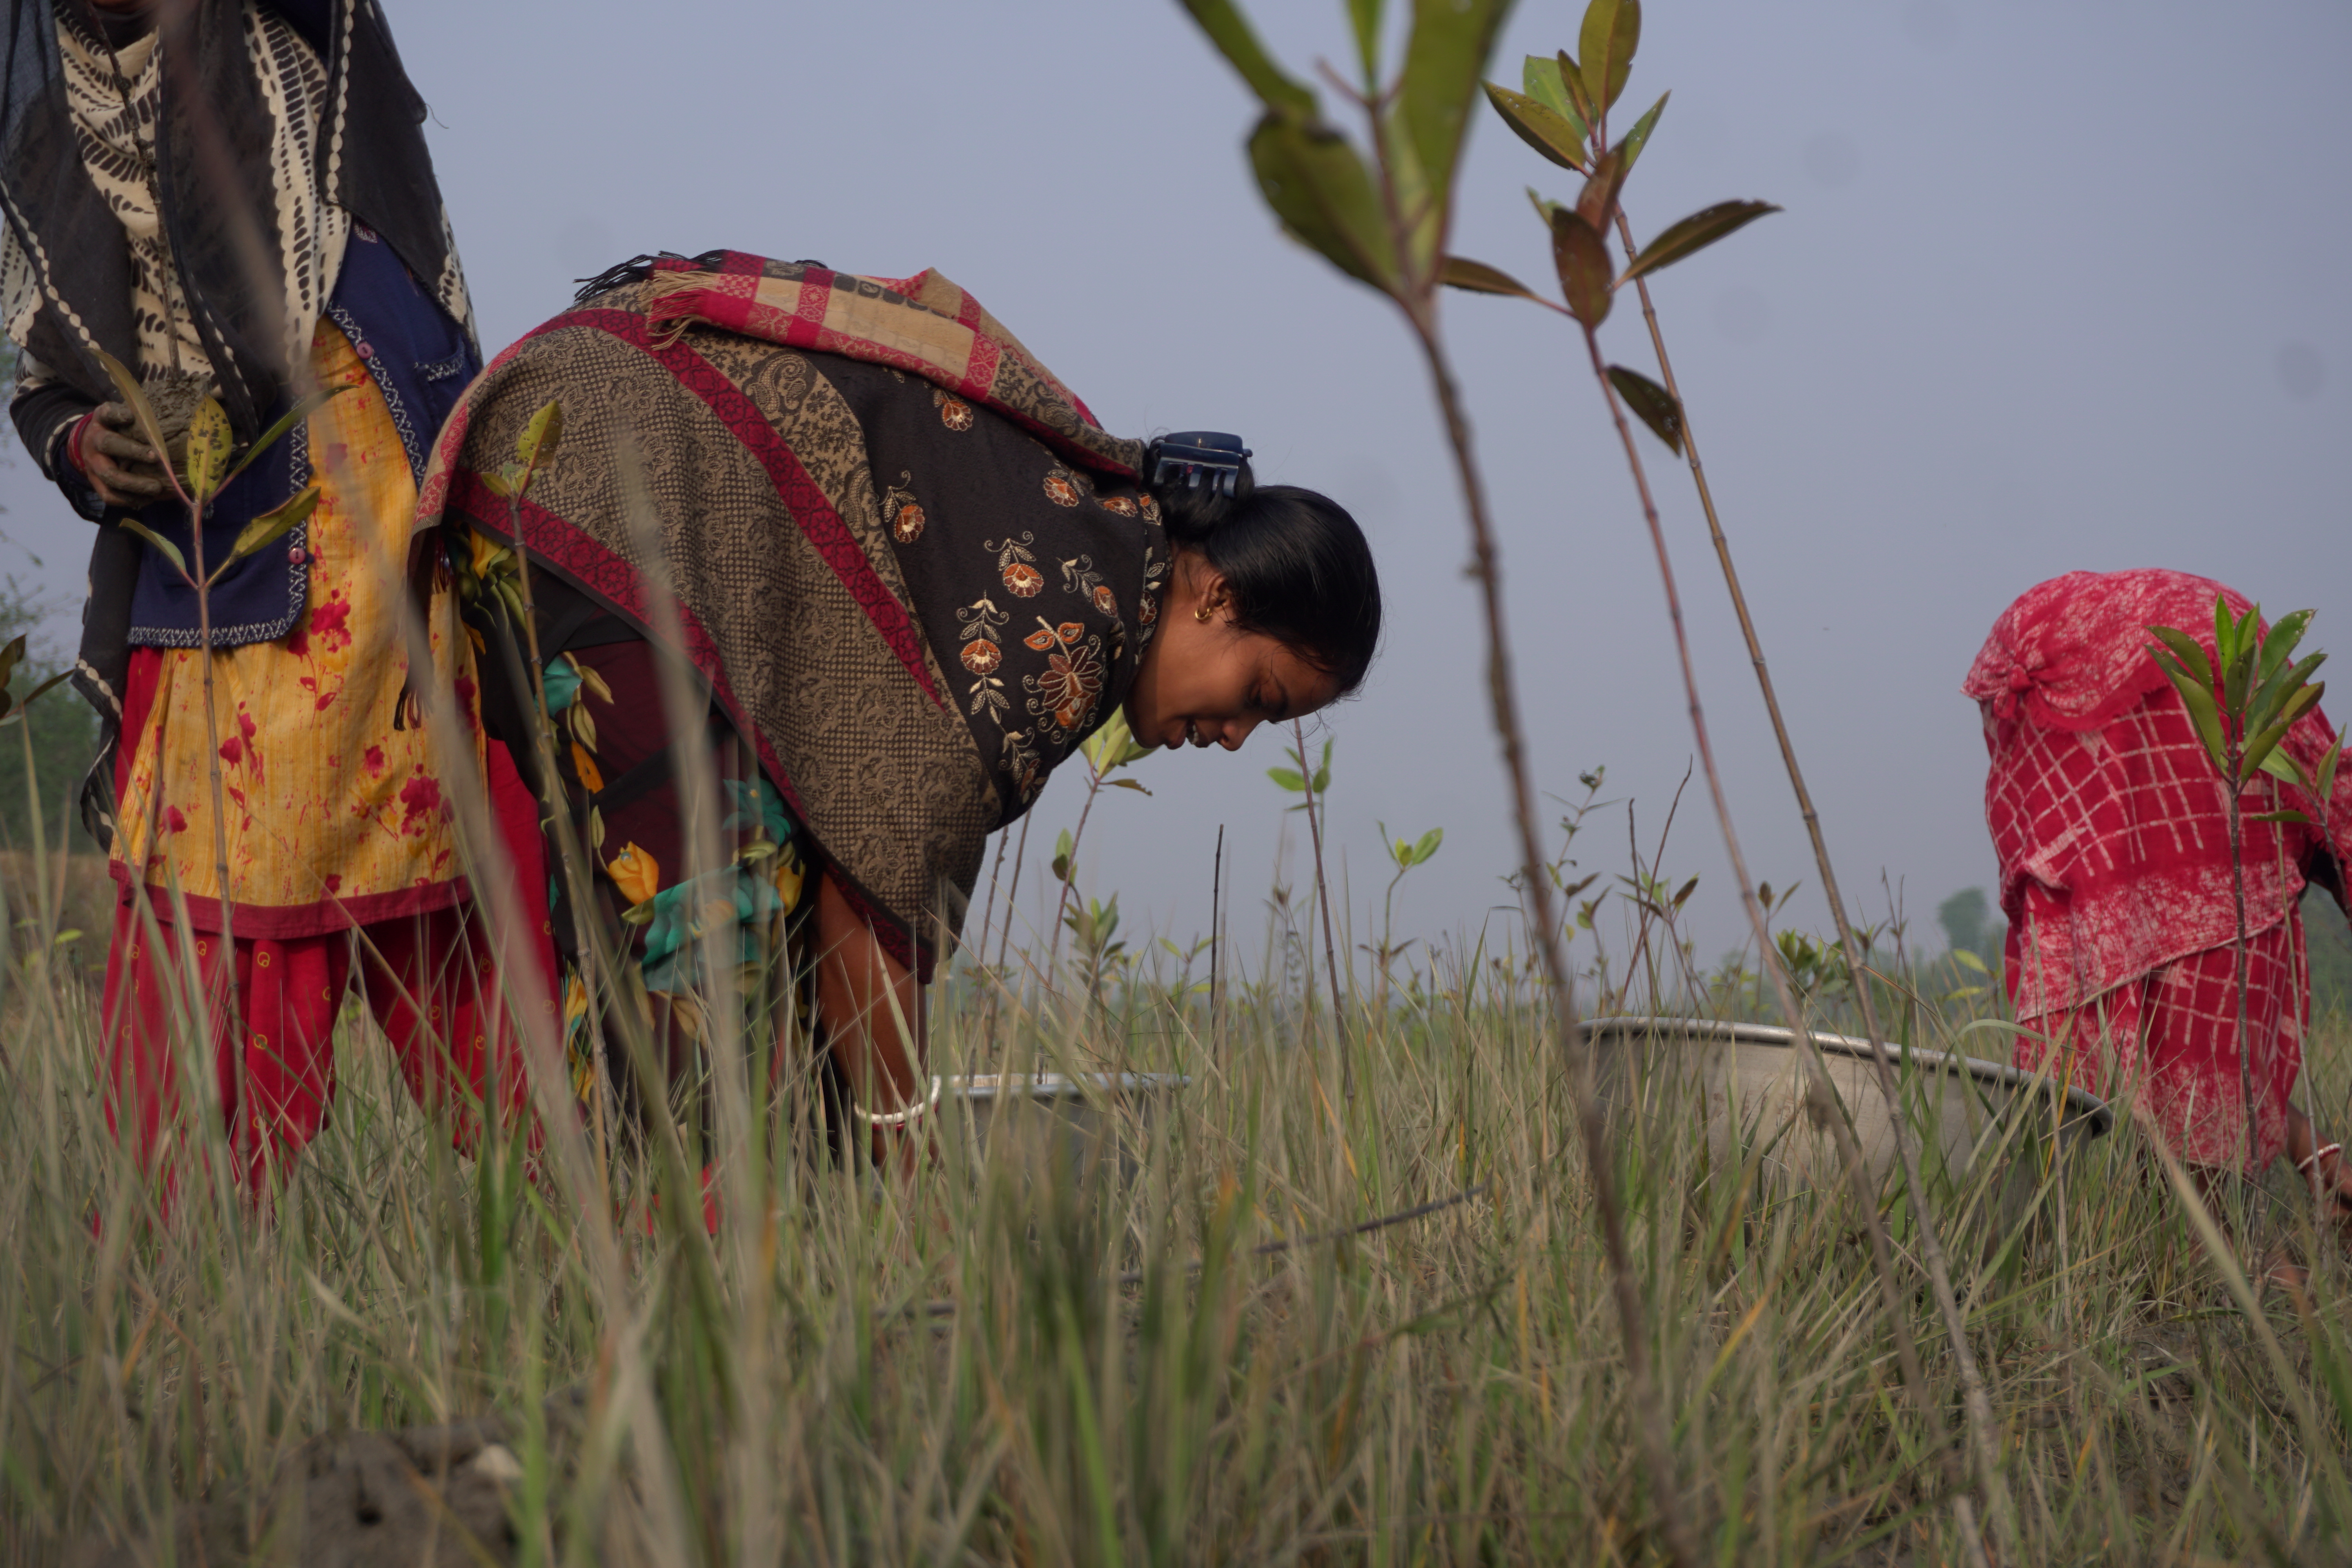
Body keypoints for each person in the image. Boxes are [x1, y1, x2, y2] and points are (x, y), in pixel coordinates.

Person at [410, 251, 1381, 1171]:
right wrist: (911, 1164)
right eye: (1257, 695)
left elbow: (847, 874)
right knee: (710, 944)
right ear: (1216, 598)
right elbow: (872, 902)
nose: (1235, 737)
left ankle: (635, 1290)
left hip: (559, 480)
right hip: (605, 488)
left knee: (686, 957)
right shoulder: (1079, 615)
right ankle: (688, 1298)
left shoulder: (1091, 544)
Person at [0, 0, 542, 1196]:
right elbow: (43, 381)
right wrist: (88, 444)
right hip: (215, 600)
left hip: (402, 570)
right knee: (194, 1080)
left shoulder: (297, 44)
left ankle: (602, 1319)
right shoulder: (48, 145)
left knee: (505, 1030)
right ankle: (180, 1353)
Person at [1964, 569, 2352, 1229]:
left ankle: (2210, 1234)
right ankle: (2234, 1247)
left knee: (2142, 977)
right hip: (2188, 665)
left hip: (2062, 651)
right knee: (2200, 974)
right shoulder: (2308, 783)